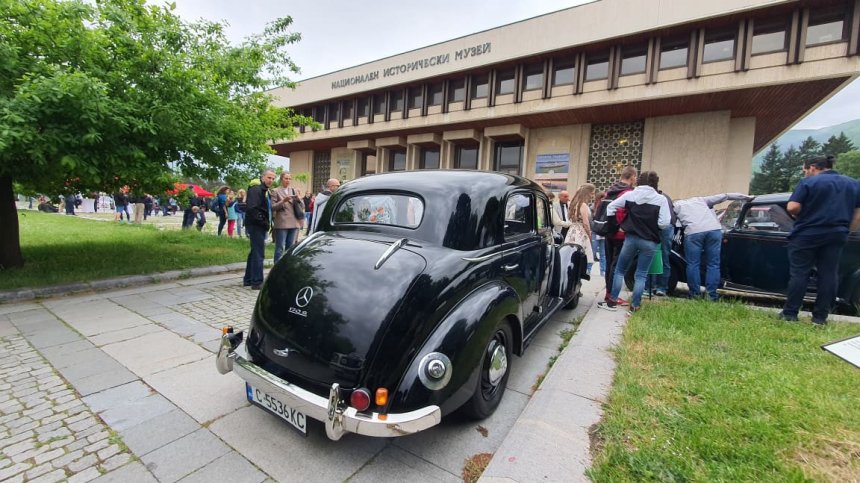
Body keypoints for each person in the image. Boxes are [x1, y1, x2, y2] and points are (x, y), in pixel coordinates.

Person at [778, 155, 860, 326]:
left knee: (800, 273)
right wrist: (847, 230)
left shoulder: (809, 183)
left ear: (813, 167)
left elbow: (792, 206)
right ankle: (820, 317)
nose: (805, 173)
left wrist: (804, 214)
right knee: (829, 273)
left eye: (805, 170)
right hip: (837, 234)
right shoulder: (853, 184)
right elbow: (858, 214)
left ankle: (790, 313)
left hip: (807, 233)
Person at [598, 171, 671, 314]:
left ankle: (612, 301)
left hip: (631, 238)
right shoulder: (660, 199)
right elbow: (664, 223)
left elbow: (611, 207)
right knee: (641, 274)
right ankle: (635, 306)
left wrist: (619, 223)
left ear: (639, 181)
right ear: (655, 182)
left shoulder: (631, 195)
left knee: (620, 270)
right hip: (650, 241)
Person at [674, 191, 752, 300]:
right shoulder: (701, 200)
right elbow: (725, 196)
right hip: (714, 230)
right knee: (713, 264)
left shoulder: (676, 206)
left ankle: (694, 295)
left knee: (693, 264)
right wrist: (748, 198)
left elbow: (675, 223)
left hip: (693, 232)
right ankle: (711, 295)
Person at [601, 166, 637, 305]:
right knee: (617, 266)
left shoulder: (611, 190)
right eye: (635, 177)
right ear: (632, 176)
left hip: (608, 231)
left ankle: (608, 293)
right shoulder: (627, 192)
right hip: (620, 234)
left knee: (610, 264)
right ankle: (613, 296)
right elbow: (622, 212)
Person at [243, 169, 277, 290]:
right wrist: (263, 222)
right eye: (269, 178)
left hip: (258, 224)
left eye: (273, 178)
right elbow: (252, 208)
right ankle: (257, 281)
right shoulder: (256, 189)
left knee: (254, 252)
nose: (271, 180)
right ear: (263, 177)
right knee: (258, 253)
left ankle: (248, 279)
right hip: (256, 225)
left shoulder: (264, 190)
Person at [271, 172, 304, 261]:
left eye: (289, 179)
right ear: (281, 179)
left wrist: (299, 200)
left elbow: (303, 207)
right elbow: (273, 207)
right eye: (286, 178)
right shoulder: (275, 191)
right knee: (280, 248)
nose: (288, 180)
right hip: (282, 223)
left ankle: (286, 268)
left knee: (290, 248)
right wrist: (283, 201)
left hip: (294, 222)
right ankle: (276, 268)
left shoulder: (294, 190)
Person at [564, 184, 596, 274]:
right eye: (592, 193)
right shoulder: (583, 205)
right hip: (581, 231)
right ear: (587, 193)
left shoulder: (572, 204)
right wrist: (589, 233)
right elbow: (586, 223)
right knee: (582, 255)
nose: (592, 196)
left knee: (571, 255)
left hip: (572, 230)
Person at [653, 188, 677, 296]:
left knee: (653, 256)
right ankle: (662, 288)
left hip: (660, 227)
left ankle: (651, 286)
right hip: (669, 227)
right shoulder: (666, 196)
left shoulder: (655, 197)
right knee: (664, 257)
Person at [592, 191, 607, 277]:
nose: (603, 199)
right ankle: (588, 269)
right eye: (602, 197)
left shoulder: (606, 207)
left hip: (603, 232)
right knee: (592, 251)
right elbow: (591, 220)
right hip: (595, 231)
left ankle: (603, 271)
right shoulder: (593, 207)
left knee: (603, 253)